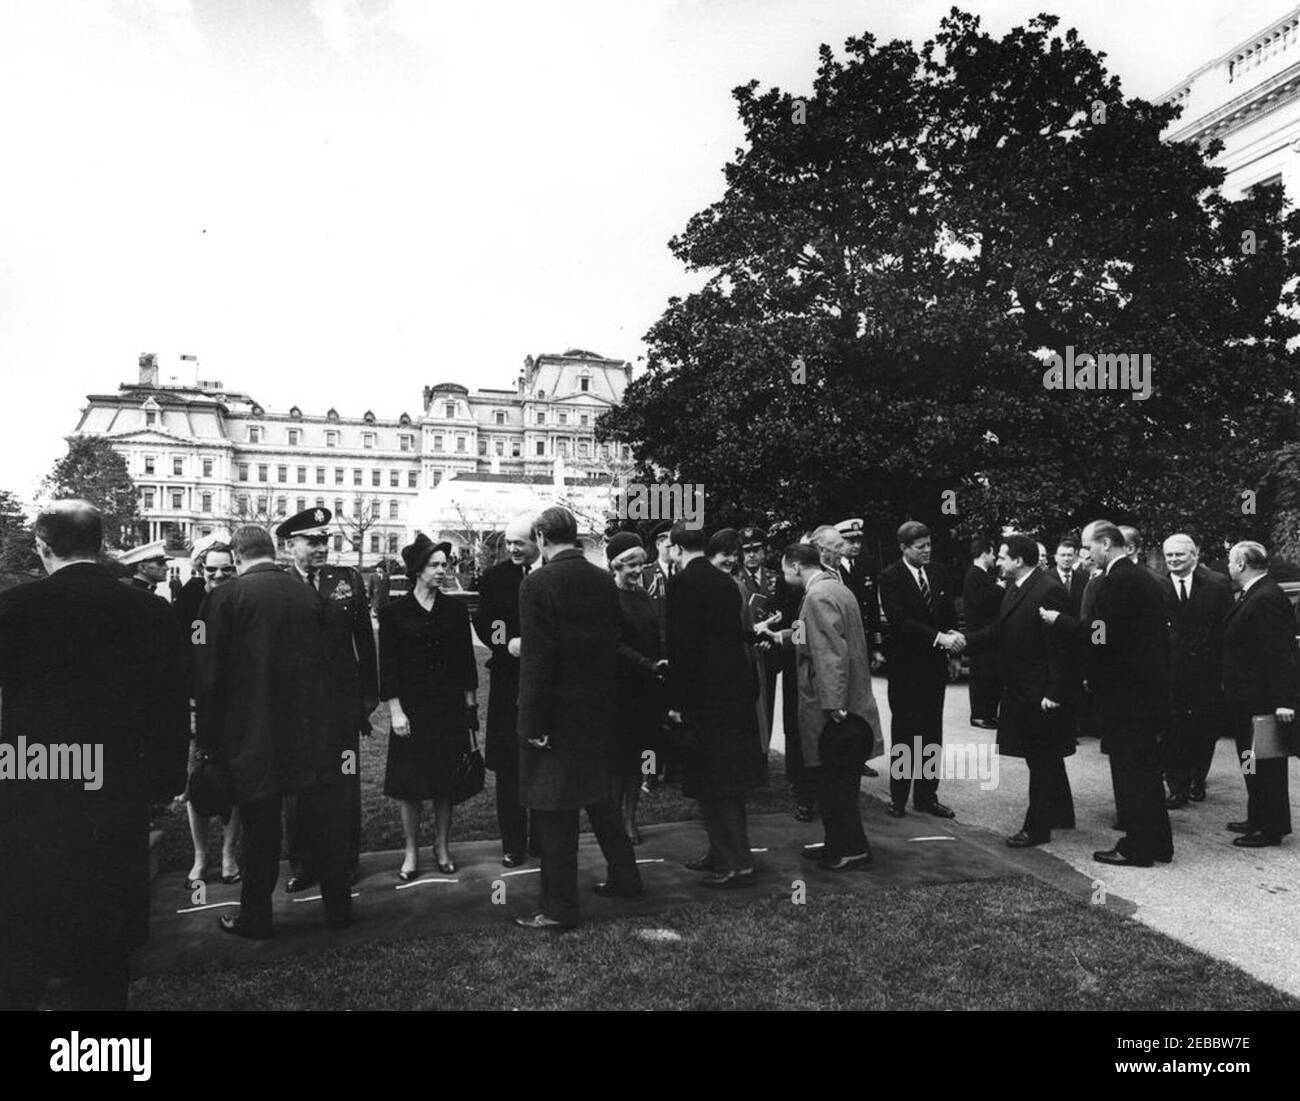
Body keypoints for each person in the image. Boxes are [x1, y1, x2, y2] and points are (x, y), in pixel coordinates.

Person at [0, 501, 188, 1009]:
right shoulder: (150, 611)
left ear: (42, 545)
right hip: (116, 785)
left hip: (32, 781)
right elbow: (172, 706)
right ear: (101, 545)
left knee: (29, 921)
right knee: (105, 941)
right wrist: (167, 782)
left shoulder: (14, 607)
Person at [195, 525, 351, 937]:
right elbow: (331, 662)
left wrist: (207, 743)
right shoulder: (307, 594)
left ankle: (256, 917)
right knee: (322, 821)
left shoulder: (224, 596)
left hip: (253, 733)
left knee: (260, 830)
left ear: (238, 555)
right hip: (311, 730)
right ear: (272, 550)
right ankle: (338, 910)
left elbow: (209, 679)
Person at [515, 506, 642, 930]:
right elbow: (611, 642)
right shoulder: (601, 581)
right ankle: (627, 877)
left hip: (557, 714)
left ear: (540, 536)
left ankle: (558, 907)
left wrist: (532, 724)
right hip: (600, 708)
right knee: (601, 800)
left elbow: (538, 658)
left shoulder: (537, 583)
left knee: (554, 812)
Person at [1042, 521, 1172, 867]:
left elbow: (1101, 635)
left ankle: (1138, 847)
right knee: (1145, 770)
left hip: (1127, 693)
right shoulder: (1142, 577)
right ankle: (1159, 842)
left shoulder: (1116, 581)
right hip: (1145, 689)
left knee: (1131, 772)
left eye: (1087, 547)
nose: (1085, 554)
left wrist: (1060, 621)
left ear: (1104, 544)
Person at [278, 507, 377, 891]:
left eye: (324, 540)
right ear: (291, 545)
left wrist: (369, 691)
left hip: (342, 706)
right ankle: (303, 864)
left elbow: (364, 639)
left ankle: (345, 859)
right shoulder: (282, 584)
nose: (321, 547)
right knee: (300, 787)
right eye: (312, 541)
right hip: (299, 707)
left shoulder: (346, 579)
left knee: (344, 781)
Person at [667, 521, 765, 887]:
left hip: (703, 697)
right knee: (724, 782)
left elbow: (683, 647)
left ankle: (736, 862)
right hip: (732, 692)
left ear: (677, 549)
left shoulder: (683, 583)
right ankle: (721, 852)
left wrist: (676, 701)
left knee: (714, 782)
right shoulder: (726, 582)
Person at [965, 536, 1077, 847]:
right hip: (1021, 688)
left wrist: (1055, 691)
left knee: (1041, 759)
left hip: (1040, 693)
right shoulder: (1016, 587)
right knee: (1043, 757)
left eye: (1002, 557)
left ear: (1019, 560)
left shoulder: (1048, 590)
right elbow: (1001, 631)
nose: (998, 562)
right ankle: (1061, 814)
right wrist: (963, 642)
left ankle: (1037, 828)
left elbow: (1062, 647)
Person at [777, 543, 881, 870]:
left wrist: (834, 705)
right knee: (837, 783)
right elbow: (815, 637)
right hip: (849, 703)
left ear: (795, 566)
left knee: (835, 784)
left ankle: (851, 849)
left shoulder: (815, 597)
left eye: (783, 569)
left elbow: (829, 653)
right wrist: (780, 635)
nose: (783, 576)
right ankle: (838, 844)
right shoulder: (836, 588)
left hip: (833, 709)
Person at [380, 535, 478, 879]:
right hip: (411, 709)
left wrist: (470, 707)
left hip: (448, 707)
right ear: (417, 570)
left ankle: (441, 846)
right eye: (435, 565)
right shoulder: (393, 612)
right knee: (410, 785)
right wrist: (395, 710)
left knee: (444, 782)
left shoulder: (454, 609)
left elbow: (467, 661)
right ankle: (410, 852)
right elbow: (388, 666)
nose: (442, 570)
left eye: (443, 565)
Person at [878, 521, 962, 819]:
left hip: (934, 667)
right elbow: (900, 621)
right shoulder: (890, 577)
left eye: (928, 545)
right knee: (905, 733)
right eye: (920, 546)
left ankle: (926, 796)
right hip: (905, 668)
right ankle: (899, 797)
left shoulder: (938, 572)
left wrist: (953, 655)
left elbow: (948, 613)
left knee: (931, 733)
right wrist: (939, 639)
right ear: (903, 548)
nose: (926, 551)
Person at [473, 514, 540, 866]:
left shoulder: (550, 574)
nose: (513, 548)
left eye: (520, 542)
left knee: (543, 760)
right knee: (509, 766)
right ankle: (513, 842)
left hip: (545, 683)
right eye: (509, 542)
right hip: (508, 681)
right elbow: (486, 621)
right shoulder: (495, 578)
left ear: (537, 541)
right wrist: (506, 642)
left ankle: (543, 839)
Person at [1222, 541, 1296, 848]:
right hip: (1246, 696)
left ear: (1241, 564)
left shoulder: (1266, 596)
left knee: (1265, 764)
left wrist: (1283, 700)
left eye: (1230, 561)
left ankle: (1271, 827)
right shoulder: (1257, 592)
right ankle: (1258, 815)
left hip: (1261, 698)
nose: (1228, 566)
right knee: (1250, 760)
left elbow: (1280, 653)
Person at [184, 541, 241, 889]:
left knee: (234, 783)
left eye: (226, 569)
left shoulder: (241, 599)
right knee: (199, 783)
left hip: (236, 707)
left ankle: (228, 854)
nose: (219, 575)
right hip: (201, 707)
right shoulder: (193, 602)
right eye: (212, 569)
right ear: (201, 570)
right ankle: (201, 855)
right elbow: (190, 654)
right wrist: (190, 705)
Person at [1161, 534, 1231, 809]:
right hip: (1171, 675)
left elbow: (1226, 631)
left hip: (1206, 674)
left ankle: (1197, 780)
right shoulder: (1159, 586)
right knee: (1172, 732)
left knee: (1204, 731)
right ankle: (1176, 787)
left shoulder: (1216, 586)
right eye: (1170, 556)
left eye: (1179, 555)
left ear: (1194, 555)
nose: (1174, 560)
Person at [608, 532, 665, 844]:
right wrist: (648, 665)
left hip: (646, 690)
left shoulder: (642, 596)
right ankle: (614, 819)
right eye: (631, 565)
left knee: (640, 758)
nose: (637, 571)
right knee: (618, 761)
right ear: (617, 565)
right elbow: (613, 645)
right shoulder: (608, 596)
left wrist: (659, 663)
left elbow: (653, 637)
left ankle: (630, 818)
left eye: (641, 564)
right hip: (620, 690)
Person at [708, 527, 771, 754]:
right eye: (726, 555)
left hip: (750, 660)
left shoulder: (741, 586)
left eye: (735, 554)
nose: (733, 560)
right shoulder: (707, 586)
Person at [962, 536, 1002, 729]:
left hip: (987, 634)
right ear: (985, 553)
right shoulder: (974, 574)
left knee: (990, 675)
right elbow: (981, 603)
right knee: (981, 676)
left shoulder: (982, 574)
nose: (995, 557)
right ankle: (979, 714)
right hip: (979, 635)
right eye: (993, 553)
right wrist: (999, 589)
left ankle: (989, 713)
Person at [1051, 537, 1088, 615]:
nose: (1066, 559)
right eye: (1063, 555)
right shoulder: (1046, 578)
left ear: (1075, 557)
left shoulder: (1083, 579)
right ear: (1056, 558)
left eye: (1069, 555)